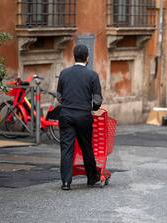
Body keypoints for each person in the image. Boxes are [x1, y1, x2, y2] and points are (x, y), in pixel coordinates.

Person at [57, 44, 103, 190]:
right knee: (86, 147)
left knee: (66, 148)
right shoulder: (92, 76)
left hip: (66, 115)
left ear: (74, 56)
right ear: (87, 58)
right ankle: (91, 178)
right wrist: (93, 108)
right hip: (83, 116)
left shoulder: (64, 73)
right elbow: (97, 100)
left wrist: (68, 103)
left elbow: (59, 96)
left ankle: (65, 182)